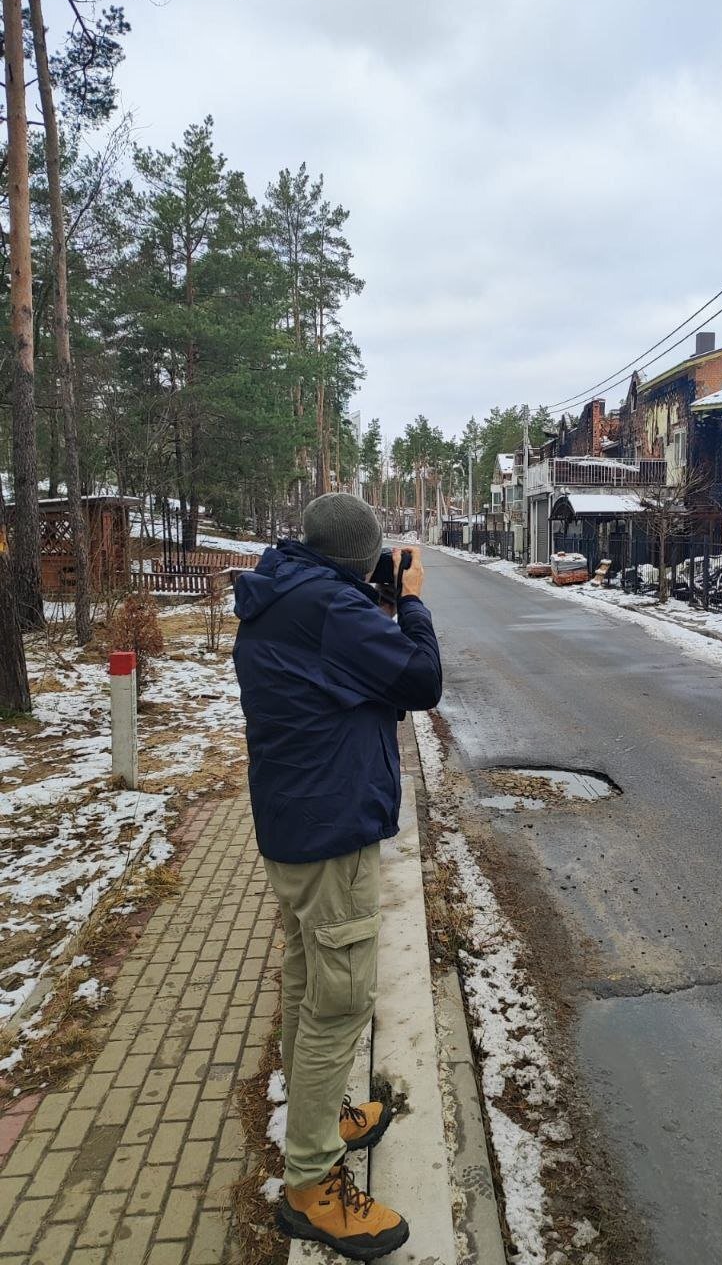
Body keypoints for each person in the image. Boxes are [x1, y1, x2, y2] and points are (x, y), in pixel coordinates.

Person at [232, 494, 442, 1261]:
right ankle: (312, 1183)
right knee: (338, 1002)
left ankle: (319, 1122)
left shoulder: (287, 591)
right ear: (359, 557)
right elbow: (419, 679)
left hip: (295, 824)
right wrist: (410, 604)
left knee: (307, 982)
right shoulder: (328, 608)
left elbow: (342, 673)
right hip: (329, 834)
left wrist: (370, 600)